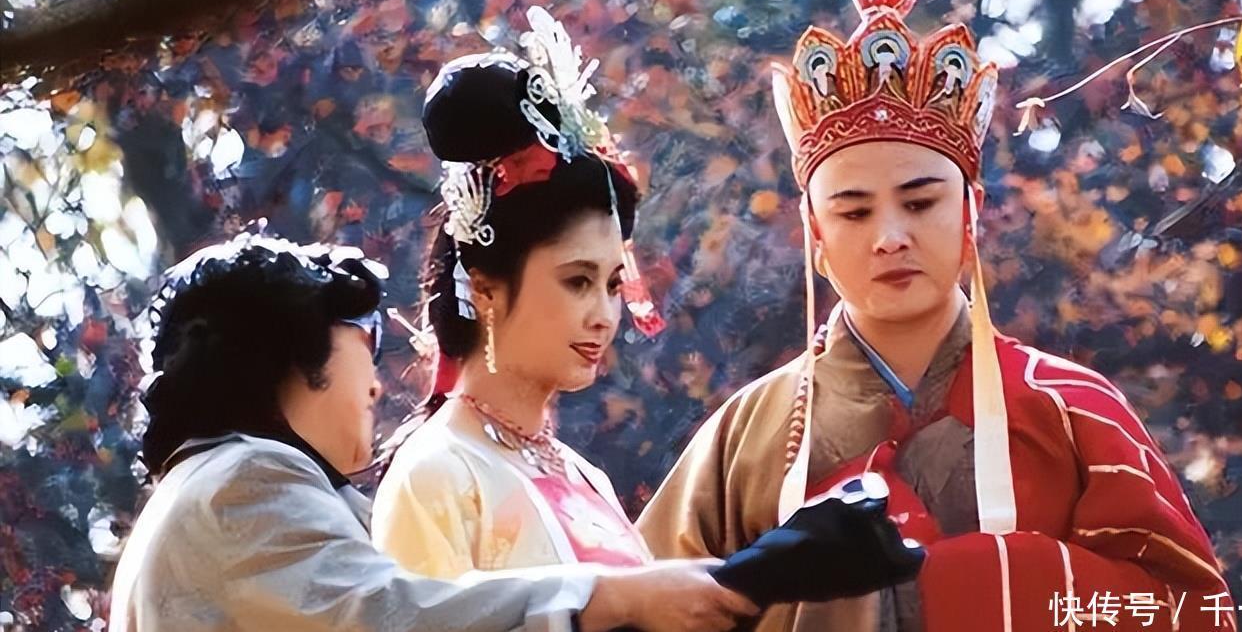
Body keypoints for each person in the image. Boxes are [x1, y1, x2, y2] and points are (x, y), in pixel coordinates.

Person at [639, 0, 1236, 632]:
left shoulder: (1071, 409)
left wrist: (964, 578)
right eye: (854, 212)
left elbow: (1191, 609)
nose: (891, 237)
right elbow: (640, 608)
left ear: (971, 210)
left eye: (921, 203)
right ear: (815, 232)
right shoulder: (743, 434)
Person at [108, 231, 761, 632]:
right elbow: (394, 617)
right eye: (365, 349)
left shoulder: (203, 489)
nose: (374, 387)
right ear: (288, 361)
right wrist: (608, 595)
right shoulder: (243, 481)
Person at [368, 6, 758, 632]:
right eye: (577, 281)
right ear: (486, 287)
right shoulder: (438, 473)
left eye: (613, 285)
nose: (604, 315)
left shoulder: (584, 475)